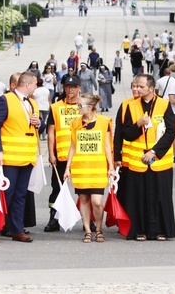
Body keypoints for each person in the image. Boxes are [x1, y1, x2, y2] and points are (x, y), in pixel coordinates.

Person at [116, 74, 175, 241]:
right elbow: (125, 134)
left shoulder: (164, 105)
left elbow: (171, 132)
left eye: (141, 86)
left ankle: (160, 231)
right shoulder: (130, 106)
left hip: (159, 160)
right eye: (136, 86)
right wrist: (138, 124)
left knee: (160, 196)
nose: (137, 89)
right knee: (139, 198)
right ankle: (139, 230)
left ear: (151, 89)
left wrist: (155, 151)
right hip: (137, 161)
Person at [0, 72, 41, 243]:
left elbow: (33, 127)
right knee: (6, 194)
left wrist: (38, 124)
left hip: (27, 156)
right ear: (27, 84)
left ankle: (16, 229)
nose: (36, 88)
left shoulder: (33, 103)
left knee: (20, 195)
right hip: (9, 157)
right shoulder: (5, 100)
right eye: (35, 84)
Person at [64, 93, 114, 243]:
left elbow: (107, 146)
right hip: (81, 168)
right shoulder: (75, 123)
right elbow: (72, 146)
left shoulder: (104, 122)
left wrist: (110, 166)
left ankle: (98, 229)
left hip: (97, 168)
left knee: (97, 202)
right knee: (84, 199)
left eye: (80, 106)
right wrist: (68, 167)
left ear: (90, 108)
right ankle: (87, 230)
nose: (77, 108)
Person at [44, 75, 82, 232]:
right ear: (63, 88)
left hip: (81, 155)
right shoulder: (56, 107)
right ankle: (53, 218)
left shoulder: (84, 106)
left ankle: (89, 219)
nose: (70, 89)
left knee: (84, 189)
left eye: (73, 87)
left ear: (79, 88)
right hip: (61, 155)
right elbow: (51, 132)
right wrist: (51, 153)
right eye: (67, 87)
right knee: (57, 188)